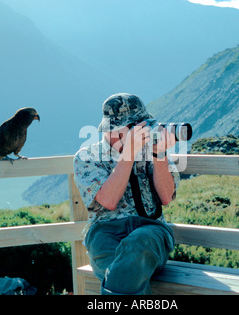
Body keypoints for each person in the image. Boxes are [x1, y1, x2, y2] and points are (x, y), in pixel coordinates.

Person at [73, 93, 180, 295]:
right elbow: (108, 201)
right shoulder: (87, 158)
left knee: (134, 248)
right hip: (104, 232)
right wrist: (128, 154)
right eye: (136, 126)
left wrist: (159, 155)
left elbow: (166, 197)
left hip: (151, 231)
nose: (144, 131)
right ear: (113, 129)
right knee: (126, 274)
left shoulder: (153, 150)